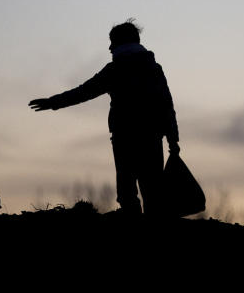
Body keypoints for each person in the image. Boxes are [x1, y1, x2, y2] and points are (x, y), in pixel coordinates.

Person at [29, 21, 180, 216]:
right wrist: (173, 139)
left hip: (124, 138)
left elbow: (83, 92)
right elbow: (167, 106)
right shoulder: (153, 69)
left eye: (112, 42)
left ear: (120, 42)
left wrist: (53, 102)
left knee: (127, 193)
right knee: (153, 193)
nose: (109, 47)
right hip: (152, 138)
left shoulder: (115, 70)